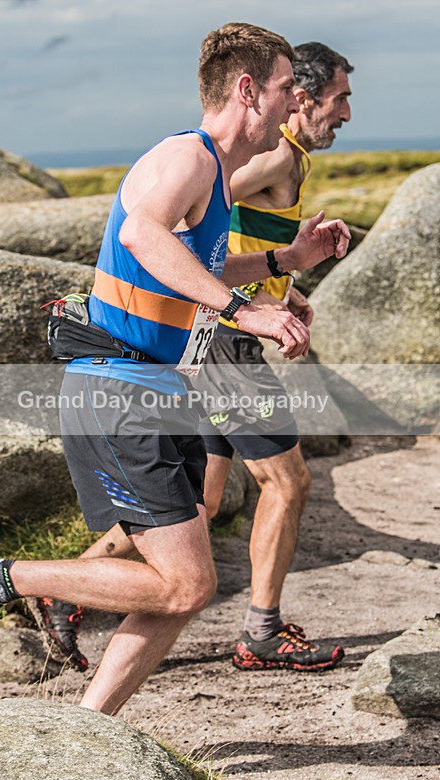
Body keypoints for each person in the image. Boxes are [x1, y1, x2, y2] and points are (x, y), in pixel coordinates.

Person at [0, 24, 350, 714]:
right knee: (187, 586)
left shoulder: (215, 177)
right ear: (248, 90)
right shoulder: (184, 156)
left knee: (180, 588)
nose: (295, 103)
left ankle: (89, 730)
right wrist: (242, 313)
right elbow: (141, 234)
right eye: (287, 88)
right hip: (118, 390)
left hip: (155, 394)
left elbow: (196, 265)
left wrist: (284, 265)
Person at [198, 42, 354, 671]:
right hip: (224, 340)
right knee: (287, 482)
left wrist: (284, 289)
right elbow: (199, 207)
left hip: (213, 334)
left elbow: (237, 230)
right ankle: (261, 633)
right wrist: (240, 306)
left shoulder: (292, 159)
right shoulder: (276, 154)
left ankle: (51, 593)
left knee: (202, 504)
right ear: (304, 98)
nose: (345, 114)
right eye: (339, 98)